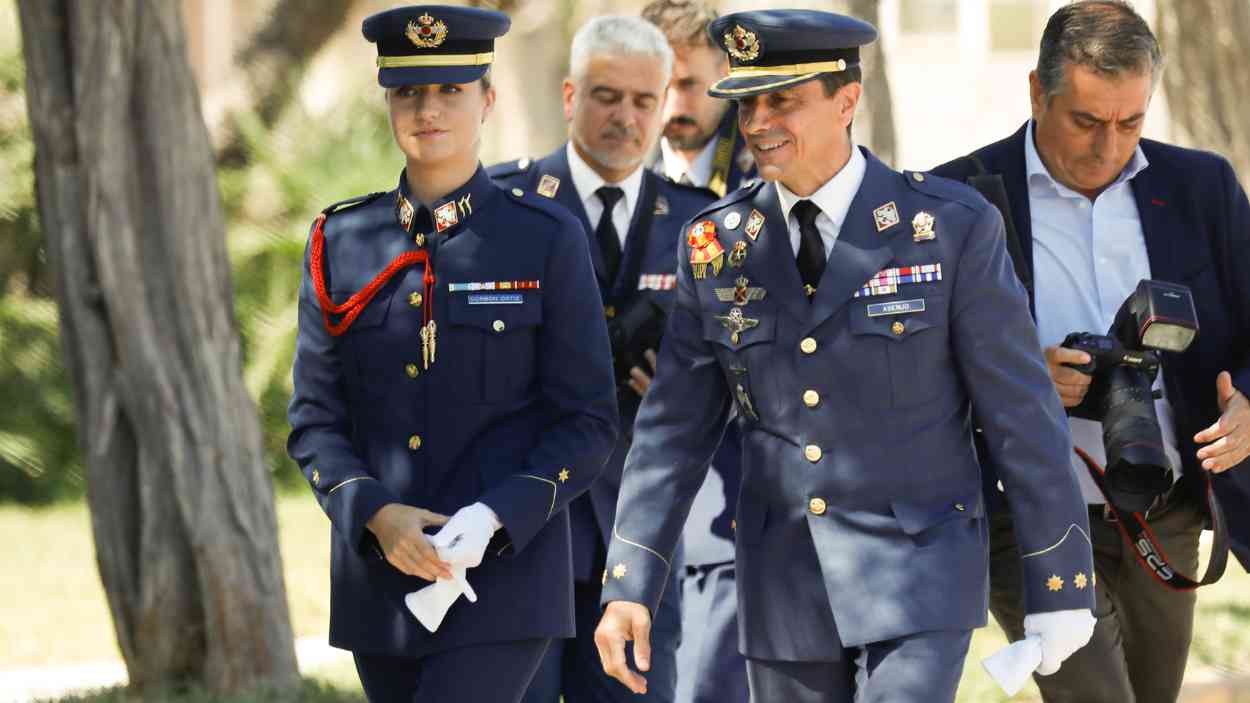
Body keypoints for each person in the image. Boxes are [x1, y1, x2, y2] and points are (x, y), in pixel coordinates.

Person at [593, 9, 1097, 703]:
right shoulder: (715, 245)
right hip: (783, 593)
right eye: (748, 103)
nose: (757, 122)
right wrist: (630, 579)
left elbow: (1021, 412)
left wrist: (1060, 576)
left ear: (847, 100)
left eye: (783, 101)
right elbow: (672, 431)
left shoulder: (948, 229)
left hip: (919, 577)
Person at [286, 6, 618, 702]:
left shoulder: (545, 239)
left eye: (450, 91)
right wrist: (375, 513)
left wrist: (498, 515)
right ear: (387, 101)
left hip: (504, 580)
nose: (427, 109)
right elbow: (314, 420)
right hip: (379, 584)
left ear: (487, 100)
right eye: (408, 91)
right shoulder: (339, 242)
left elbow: (587, 423)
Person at [930, 2, 1250, 701]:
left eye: (1130, 122)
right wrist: (1013, 379)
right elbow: (906, 369)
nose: (1109, 146)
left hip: (1164, 509)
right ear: (1036, 93)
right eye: (1085, 121)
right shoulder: (952, 196)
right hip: (1025, 514)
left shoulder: (1201, 188)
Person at [490, 16, 718, 703]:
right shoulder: (505, 206)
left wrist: (687, 391)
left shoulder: (702, 224)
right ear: (569, 97)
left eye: (644, 101)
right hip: (527, 533)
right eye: (605, 96)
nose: (625, 116)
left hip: (640, 542)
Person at [641, 3, 753, 702]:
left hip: (735, 487)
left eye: (690, 84)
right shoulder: (618, 175)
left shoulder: (766, 176)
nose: (672, 104)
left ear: (726, 78)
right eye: (661, 85)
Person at [643, 0, 755, 198]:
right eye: (661, 87)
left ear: (726, 73)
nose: (674, 108)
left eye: (689, 85)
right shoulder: (624, 171)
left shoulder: (766, 170)